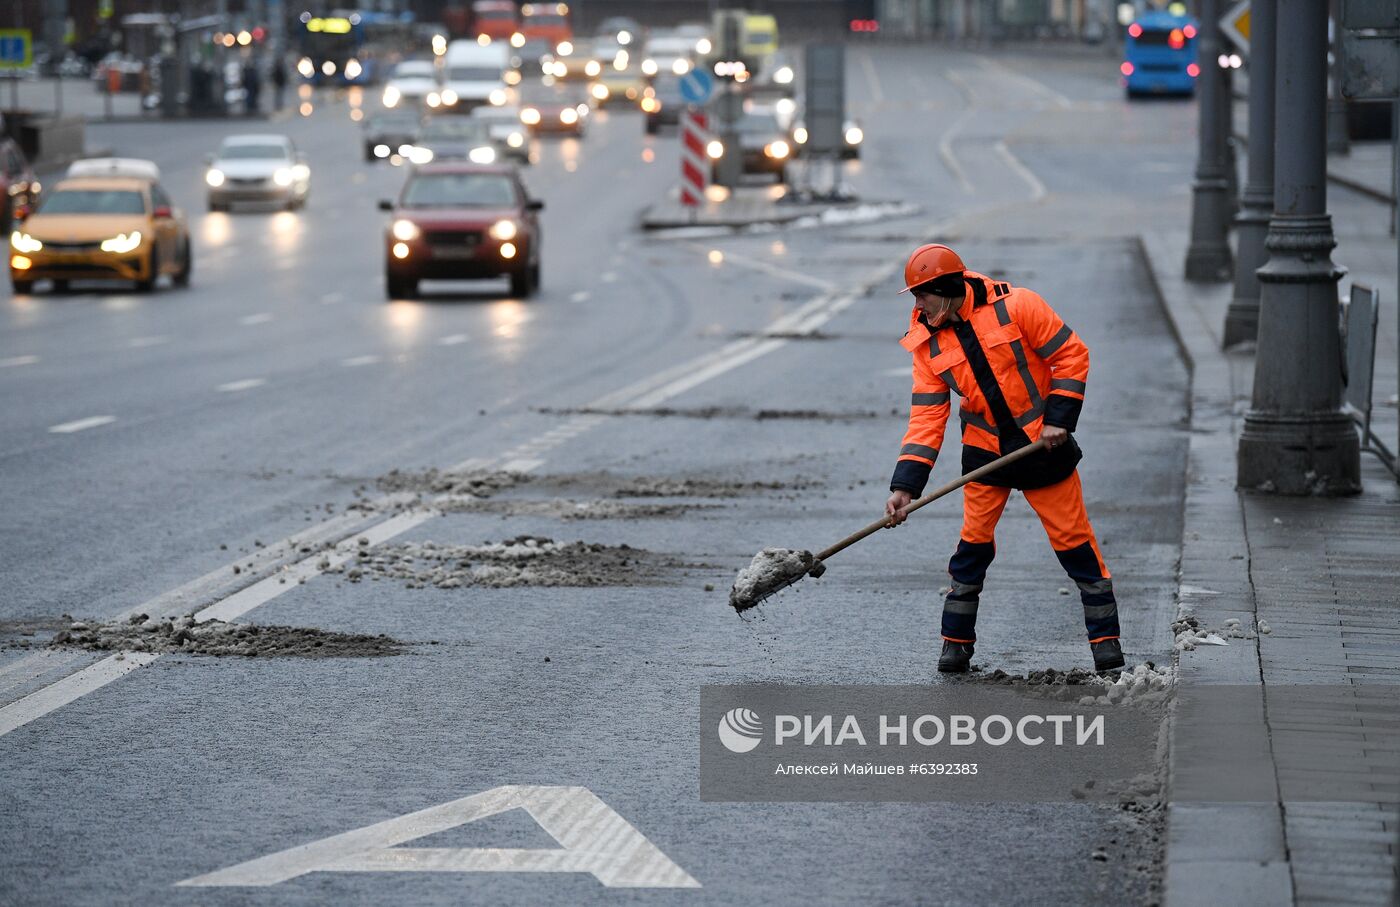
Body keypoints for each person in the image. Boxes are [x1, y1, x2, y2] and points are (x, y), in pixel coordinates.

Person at [884, 244, 1124, 675]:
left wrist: (1059, 419)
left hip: (1042, 446)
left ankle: (1107, 649)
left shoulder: (1019, 306)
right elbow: (926, 416)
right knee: (972, 547)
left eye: (922, 295)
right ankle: (954, 647)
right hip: (985, 453)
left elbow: (1071, 355)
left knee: (1074, 543)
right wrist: (905, 486)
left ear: (947, 288)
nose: (917, 305)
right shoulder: (925, 342)